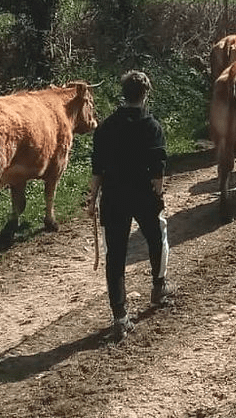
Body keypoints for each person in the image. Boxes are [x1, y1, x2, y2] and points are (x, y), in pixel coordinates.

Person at [88, 70, 171, 341]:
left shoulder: (106, 127)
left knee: (116, 257)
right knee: (157, 238)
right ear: (146, 94)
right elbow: (157, 172)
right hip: (143, 195)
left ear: (123, 95)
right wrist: (158, 195)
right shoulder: (152, 127)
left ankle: (120, 317)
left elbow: (97, 168)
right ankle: (159, 288)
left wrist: (93, 199)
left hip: (113, 197)